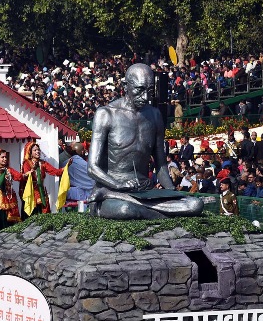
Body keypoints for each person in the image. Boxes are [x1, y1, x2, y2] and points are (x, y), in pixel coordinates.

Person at [86, 63, 203, 219]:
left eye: (149, 91)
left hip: (144, 193)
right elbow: (92, 168)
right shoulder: (106, 114)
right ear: (125, 86)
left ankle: (149, 212)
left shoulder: (154, 115)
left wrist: (171, 191)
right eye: (140, 90)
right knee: (126, 210)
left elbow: (160, 165)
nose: (146, 98)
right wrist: (117, 185)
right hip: (113, 192)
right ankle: (111, 198)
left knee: (195, 205)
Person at [0, 148, 27, 235]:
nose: (5, 159)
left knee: (10, 222)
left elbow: (19, 177)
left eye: (6, 157)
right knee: (0, 220)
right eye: (2, 157)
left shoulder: (8, 169)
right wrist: (1, 173)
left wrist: (27, 174)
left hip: (10, 197)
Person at [20, 142, 64, 217]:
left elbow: (55, 171)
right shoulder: (27, 163)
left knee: (43, 212)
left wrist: (65, 168)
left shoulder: (43, 163)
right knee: (32, 213)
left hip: (41, 191)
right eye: (35, 150)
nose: (37, 152)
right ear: (30, 152)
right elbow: (26, 175)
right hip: (31, 191)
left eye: (38, 150)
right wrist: (33, 169)